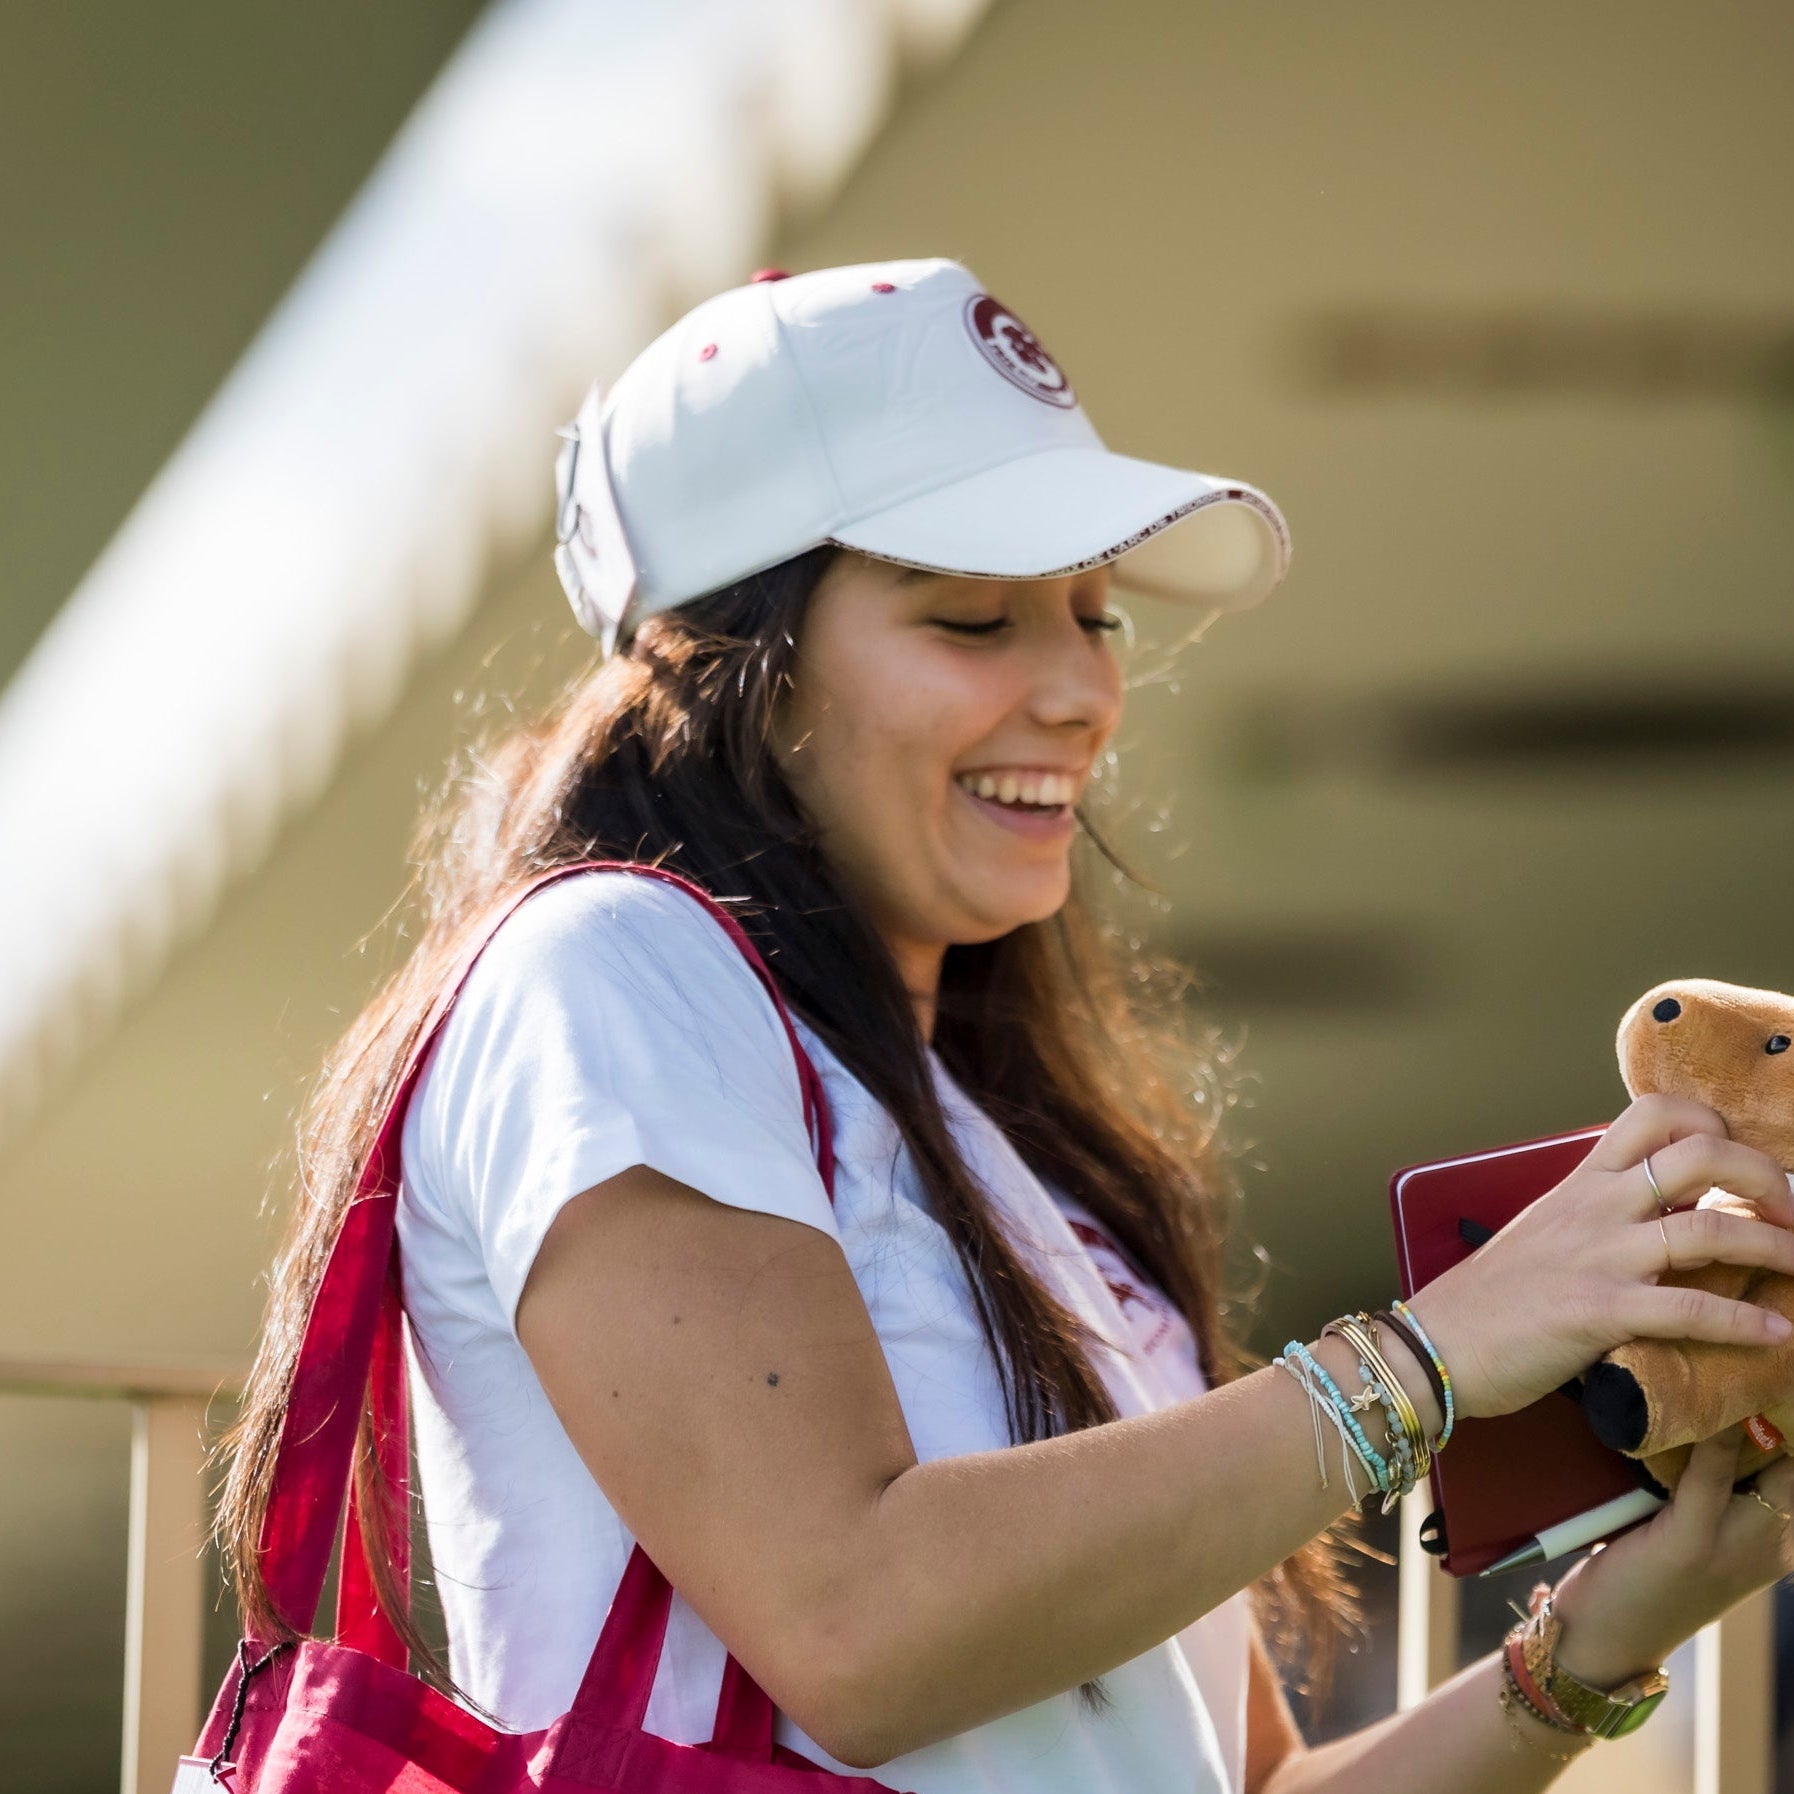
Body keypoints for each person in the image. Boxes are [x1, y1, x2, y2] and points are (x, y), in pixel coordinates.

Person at [216, 259, 1794, 1794]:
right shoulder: (608, 964)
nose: (1077, 690)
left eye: (1096, 616)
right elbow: (855, 1625)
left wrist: (1605, 1630)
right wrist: (1436, 1353)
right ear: (733, 671)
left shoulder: (1017, 1162)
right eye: (973, 618)